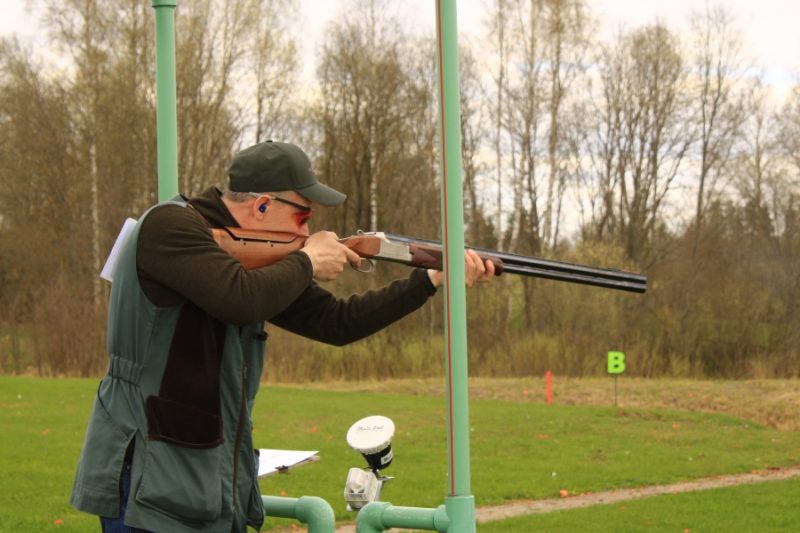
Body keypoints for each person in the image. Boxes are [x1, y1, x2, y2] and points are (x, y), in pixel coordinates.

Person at [70, 140, 494, 532]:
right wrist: (307, 262)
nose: (307, 232)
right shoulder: (169, 227)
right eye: (302, 216)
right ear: (261, 207)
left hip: (207, 481)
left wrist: (429, 280)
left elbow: (336, 322)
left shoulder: (254, 265)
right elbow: (238, 299)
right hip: (149, 477)